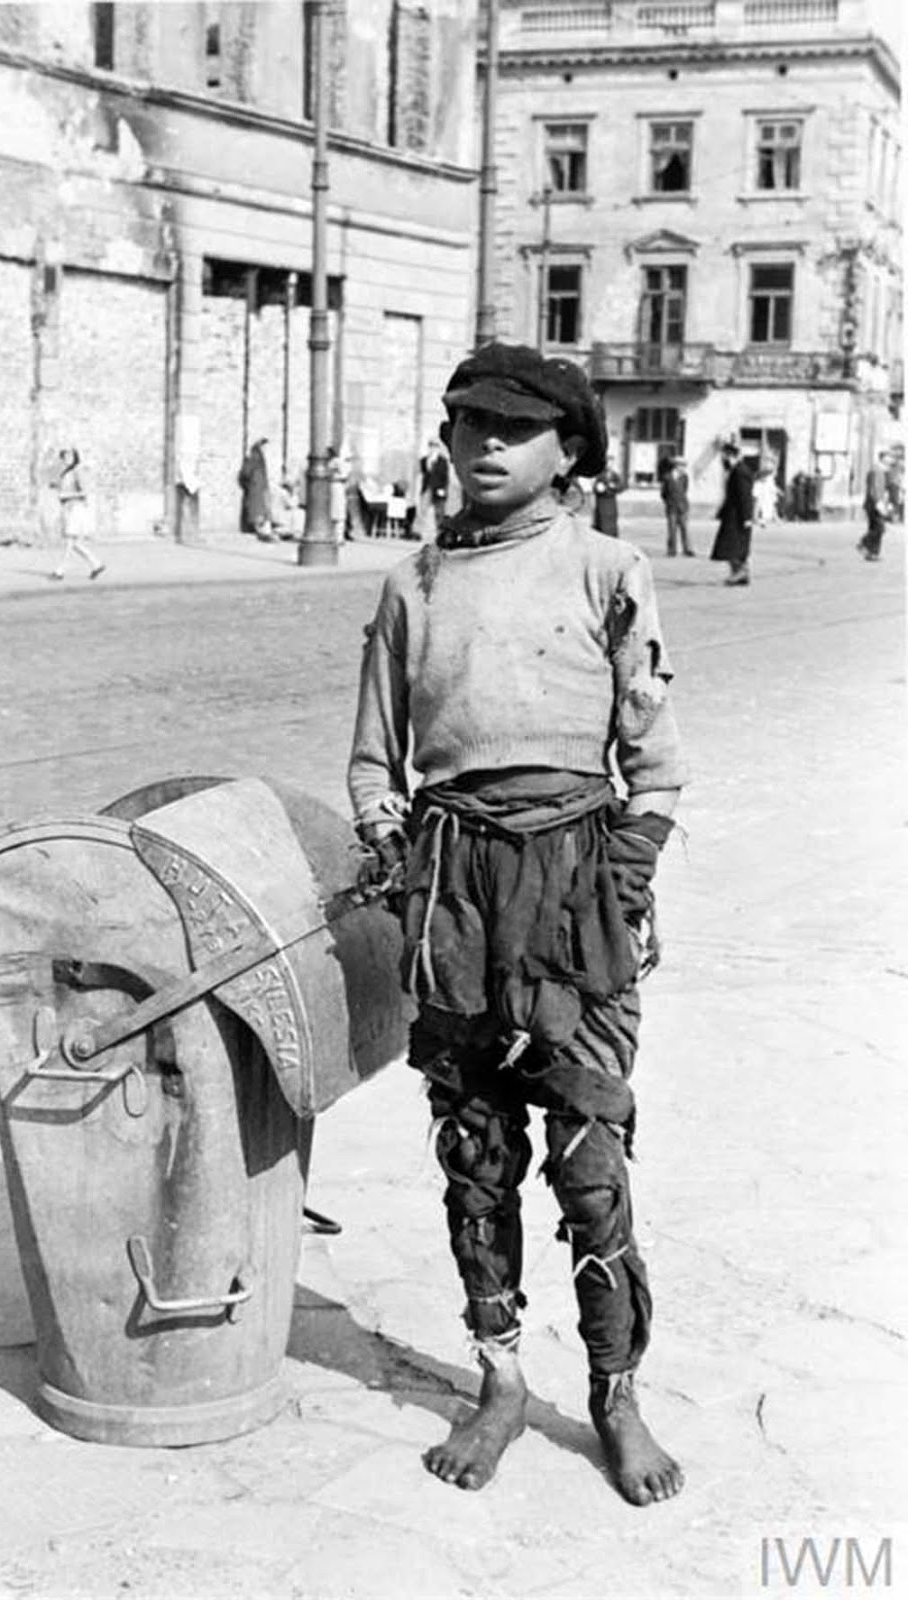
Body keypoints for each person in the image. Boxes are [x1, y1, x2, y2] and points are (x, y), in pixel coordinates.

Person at [348, 343, 688, 1507]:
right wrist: (396, 849)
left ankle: (613, 1391)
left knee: (590, 1160)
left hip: (574, 885)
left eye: (510, 427)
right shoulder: (412, 584)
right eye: (462, 423)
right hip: (451, 890)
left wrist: (620, 875)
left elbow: (653, 761)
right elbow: (370, 758)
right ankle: (495, 1380)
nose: (480, 444)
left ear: (568, 451)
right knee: (473, 1154)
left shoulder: (608, 568)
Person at [50, 448, 104, 580]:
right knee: (75, 543)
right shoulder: (66, 473)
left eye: (68, 457)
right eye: (63, 457)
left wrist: (65, 494)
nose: (65, 460)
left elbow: (85, 492)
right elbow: (66, 488)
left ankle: (60, 571)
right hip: (68, 508)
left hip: (76, 508)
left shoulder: (77, 472)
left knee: (69, 541)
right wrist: (56, 486)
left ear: (74, 457)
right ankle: (96, 564)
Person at [709, 441, 754, 586]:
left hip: (737, 517)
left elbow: (744, 496)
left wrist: (747, 517)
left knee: (731, 546)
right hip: (732, 515)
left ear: (730, 456)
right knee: (733, 546)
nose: (723, 460)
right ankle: (740, 574)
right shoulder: (736, 470)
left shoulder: (740, 472)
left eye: (724, 456)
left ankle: (740, 573)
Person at [858, 450, 892, 562]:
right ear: (883, 458)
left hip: (875, 503)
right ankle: (864, 543)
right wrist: (878, 503)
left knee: (874, 528)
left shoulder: (880, 470)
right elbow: (874, 489)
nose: (890, 460)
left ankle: (872, 554)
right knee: (880, 528)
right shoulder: (876, 470)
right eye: (888, 457)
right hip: (874, 504)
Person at [238, 438, 273, 540]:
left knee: (262, 507)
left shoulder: (259, 457)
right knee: (257, 508)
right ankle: (260, 529)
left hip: (260, 486)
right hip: (256, 487)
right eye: (264, 447)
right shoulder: (254, 457)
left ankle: (263, 529)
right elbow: (245, 473)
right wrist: (249, 484)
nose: (266, 449)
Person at [418, 437, 451, 542]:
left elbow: (445, 477)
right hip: (427, 488)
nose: (432, 448)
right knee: (422, 510)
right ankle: (418, 533)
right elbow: (423, 474)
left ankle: (440, 534)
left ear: (438, 448)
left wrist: (443, 489)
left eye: (435, 446)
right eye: (431, 446)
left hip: (438, 489)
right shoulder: (424, 460)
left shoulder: (442, 461)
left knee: (439, 513)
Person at [660, 456, 695, 557]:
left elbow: (684, 490)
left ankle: (687, 549)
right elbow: (663, 493)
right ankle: (672, 550)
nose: (683, 468)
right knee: (672, 529)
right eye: (682, 466)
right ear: (676, 466)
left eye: (684, 466)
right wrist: (669, 501)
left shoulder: (684, 477)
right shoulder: (667, 477)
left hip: (683, 507)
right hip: (671, 507)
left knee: (685, 529)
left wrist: (682, 502)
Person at [591, 456, 623, 537]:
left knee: (612, 519)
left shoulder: (614, 474)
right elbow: (595, 487)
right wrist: (599, 488)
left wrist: (614, 486)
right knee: (602, 520)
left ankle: (612, 535)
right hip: (602, 502)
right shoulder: (600, 474)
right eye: (608, 462)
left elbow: (621, 486)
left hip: (611, 501)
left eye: (612, 463)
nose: (610, 465)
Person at [752, 455, 779, 532]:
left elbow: (772, 484)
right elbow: (761, 478)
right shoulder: (765, 474)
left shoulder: (770, 477)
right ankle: (757, 518)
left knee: (767, 505)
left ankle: (767, 519)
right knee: (759, 505)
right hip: (762, 491)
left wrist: (776, 491)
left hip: (766, 492)